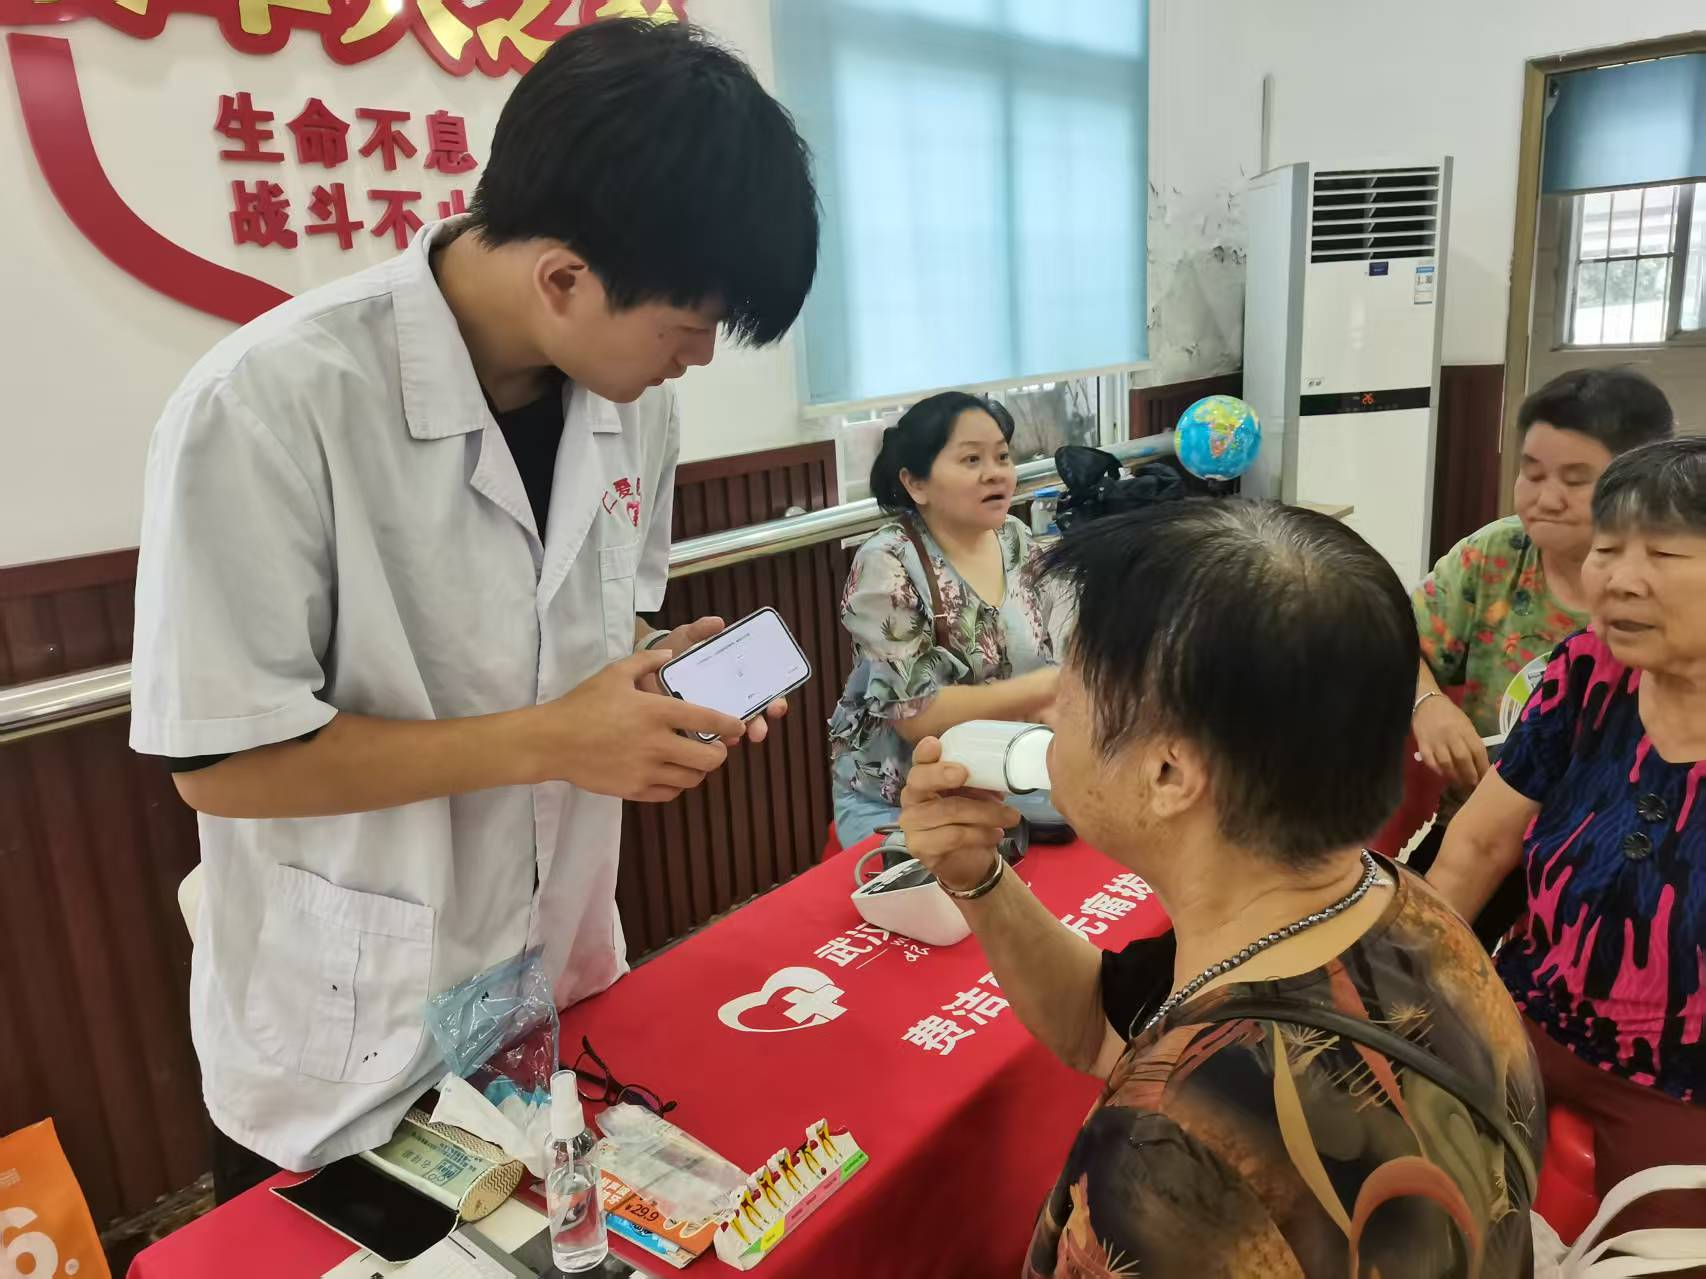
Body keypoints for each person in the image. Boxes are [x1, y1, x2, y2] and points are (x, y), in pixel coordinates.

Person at [128, 19, 818, 1197]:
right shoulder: (268, 403)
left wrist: (651, 678)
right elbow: (221, 765)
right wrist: (556, 739)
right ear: (562, 278)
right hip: (353, 1030)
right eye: (687, 327)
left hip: (555, 972)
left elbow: (590, 626)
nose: (698, 359)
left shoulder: (632, 401)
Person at [900, 499, 1542, 1277]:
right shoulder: (1405, 910)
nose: (1045, 702)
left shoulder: (1167, 1157)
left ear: (1170, 772)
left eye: (1073, 680)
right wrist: (982, 880)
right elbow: (1104, 1029)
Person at [1429, 438, 1706, 1238]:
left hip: (1683, 1080)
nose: (1620, 578)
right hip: (1528, 1009)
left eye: (1663, 554)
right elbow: (1479, 846)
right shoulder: (1586, 672)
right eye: (1607, 549)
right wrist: (1412, 984)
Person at [1412, 368, 1674, 792]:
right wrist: (1427, 702)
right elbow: (1394, 642)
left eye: (1576, 480)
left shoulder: (1677, 589)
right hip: (1478, 813)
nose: (1546, 500)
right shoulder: (1495, 553)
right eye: (1532, 475)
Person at [829, 392, 1070, 847]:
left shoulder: (1016, 539)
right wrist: (1046, 688)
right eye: (972, 459)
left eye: (1002, 456)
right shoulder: (888, 561)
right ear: (916, 484)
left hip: (1006, 776)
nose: (995, 472)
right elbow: (917, 717)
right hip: (904, 801)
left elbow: (1057, 652)